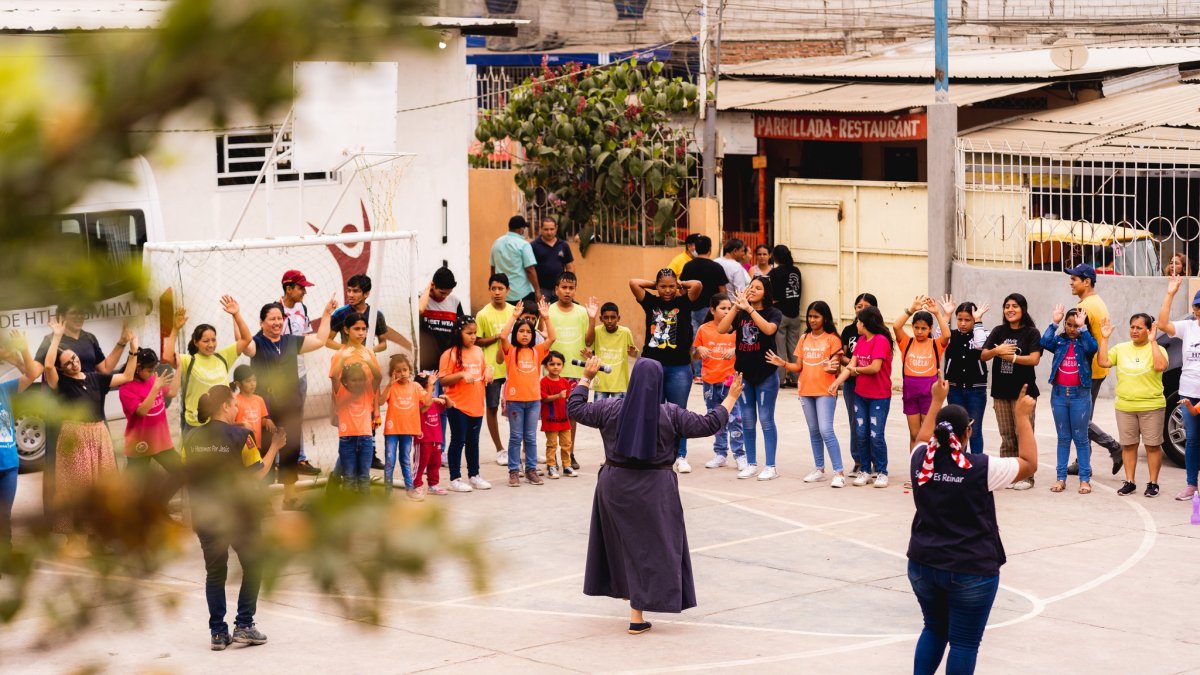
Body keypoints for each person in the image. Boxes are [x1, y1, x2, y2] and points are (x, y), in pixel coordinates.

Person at [568, 357, 743, 634]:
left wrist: (586, 378)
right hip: (655, 489)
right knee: (655, 549)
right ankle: (637, 610)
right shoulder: (671, 413)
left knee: (622, 545)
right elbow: (709, 424)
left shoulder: (610, 408)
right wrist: (731, 397)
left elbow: (575, 408)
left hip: (615, 487)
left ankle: (634, 606)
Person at [906, 379, 1037, 675]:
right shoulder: (981, 467)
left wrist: (936, 400)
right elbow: (1029, 463)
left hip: (923, 564)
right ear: (969, 431)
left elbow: (920, 439)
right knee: (964, 643)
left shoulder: (919, 461)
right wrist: (1022, 417)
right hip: (970, 569)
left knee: (934, 628)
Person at [184, 385, 284, 651]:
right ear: (226, 406)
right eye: (234, 403)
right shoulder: (243, 436)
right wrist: (275, 446)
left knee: (215, 573)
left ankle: (218, 633)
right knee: (254, 564)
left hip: (206, 515)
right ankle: (244, 624)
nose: (237, 406)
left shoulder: (192, 438)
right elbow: (257, 473)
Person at [43, 317, 138, 537]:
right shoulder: (62, 383)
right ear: (62, 369)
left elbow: (127, 376)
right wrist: (57, 336)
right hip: (75, 436)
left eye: (74, 358)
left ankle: (98, 532)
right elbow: (48, 365)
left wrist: (133, 350)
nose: (73, 363)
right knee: (78, 487)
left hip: (99, 434)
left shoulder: (96, 378)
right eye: (67, 363)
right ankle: (76, 536)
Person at [245, 297, 334, 510]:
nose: (276, 322)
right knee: (265, 450)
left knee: (291, 450)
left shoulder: (291, 341)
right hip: (265, 410)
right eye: (271, 319)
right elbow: (245, 347)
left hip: (290, 407)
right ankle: (263, 501)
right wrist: (236, 315)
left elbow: (320, 340)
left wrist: (327, 313)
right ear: (261, 322)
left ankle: (289, 498)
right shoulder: (257, 343)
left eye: (279, 318)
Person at [629, 269, 703, 471]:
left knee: (679, 412)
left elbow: (697, 285)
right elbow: (634, 282)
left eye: (671, 286)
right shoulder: (651, 302)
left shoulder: (683, 303)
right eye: (663, 286)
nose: (668, 290)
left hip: (679, 367)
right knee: (652, 411)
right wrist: (653, 285)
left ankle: (680, 455)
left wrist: (680, 283)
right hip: (652, 367)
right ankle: (654, 453)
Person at [767, 300, 843, 487]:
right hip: (806, 391)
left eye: (816, 316)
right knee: (814, 431)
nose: (812, 320)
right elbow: (798, 366)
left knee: (826, 430)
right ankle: (819, 468)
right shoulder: (804, 338)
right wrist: (782, 363)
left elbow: (836, 368)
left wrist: (830, 367)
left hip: (826, 391)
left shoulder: (833, 339)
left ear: (825, 318)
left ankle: (839, 472)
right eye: (810, 316)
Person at [716, 278, 783, 480]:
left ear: (766, 292)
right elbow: (721, 329)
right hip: (744, 374)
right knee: (747, 420)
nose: (753, 290)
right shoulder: (741, 311)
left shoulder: (773, 312)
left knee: (766, 420)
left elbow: (769, 329)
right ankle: (752, 463)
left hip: (766, 373)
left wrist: (750, 310)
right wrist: (737, 307)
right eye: (751, 286)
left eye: (758, 288)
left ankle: (770, 466)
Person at [1097, 314, 1169, 497]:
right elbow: (1103, 362)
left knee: (1152, 446)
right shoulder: (1120, 349)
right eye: (1132, 327)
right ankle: (1130, 481)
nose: (1135, 331)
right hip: (1125, 407)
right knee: (1128, 445)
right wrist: (1104, 339)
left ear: (1148, 329)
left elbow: (1161, 366)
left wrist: (1153, 342)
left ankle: (1153, 483)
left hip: (1152, 406)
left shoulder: (1159, 348)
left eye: (1139, 327)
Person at [1065, 264, 1124, 476]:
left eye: (1074, 279)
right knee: (1082, 417)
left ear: (1087, 281)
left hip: (1085, 372)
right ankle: (1082, 463)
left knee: (1077, 418)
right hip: (1095, 370)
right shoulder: (1095, 302)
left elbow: (1083, 343)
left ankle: (1114, 447)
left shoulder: (1086, 308)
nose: (1071, 282)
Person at [164, 296, 253, 435]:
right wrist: (175, 329)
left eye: (213, 340)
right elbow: (167, 356)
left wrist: (236, 314)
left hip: (222, 424)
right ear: (196, 342)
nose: (211, 344)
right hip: (196, 427)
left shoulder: (223, 357)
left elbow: (247, 339)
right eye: (206, 341)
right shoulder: (189, 360)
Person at [981, 293, 1043, 491]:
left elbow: (1034, 359)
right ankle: (1007, 476)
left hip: (1024, 393)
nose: (1010, 309)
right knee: (1007, 436)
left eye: (1014, 306)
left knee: (1023, 435)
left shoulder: (1032, 333)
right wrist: (997, 352)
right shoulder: (999, 331)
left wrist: (1012, 358)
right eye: (1006, 306)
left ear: (1023, 309)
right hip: (1000, 392)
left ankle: (1027, 477)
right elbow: (983, 355)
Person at [830, 305, 894, 488]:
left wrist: (856, 370)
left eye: (858, 320)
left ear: (866, 323)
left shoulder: (881, 340)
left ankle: (881, 472)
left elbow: (874, 367)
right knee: (861, 434)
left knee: (876, 435)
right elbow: (851, 366)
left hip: (879, 396)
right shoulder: (861, 342)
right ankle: (865, 470)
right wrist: (836, 382)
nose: (856, 324)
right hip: (861, 395)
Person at [1040, 306, 1099, 494]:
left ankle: (1084, 479)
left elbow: (1093, 348)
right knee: (1063, 438)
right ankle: (1060, 478)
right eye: (1069, 324)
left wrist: (1084, 329)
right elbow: (1044, 341)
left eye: (1076, 325)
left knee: (1081, 438)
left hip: (1080, 396)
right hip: (1058, 395)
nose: (1072, 329)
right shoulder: (1059, 341)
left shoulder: (1085, 342)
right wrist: (1054, 322)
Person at [119, 347, 184, 513]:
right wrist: (155, 388)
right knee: (132, 487)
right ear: (138, 367)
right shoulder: (126, 388)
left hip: (161, 441)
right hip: (139, 444)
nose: (153, 372)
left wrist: (180, 369)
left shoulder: (153, 378)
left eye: (154, 369)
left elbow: (173, 392)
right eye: (150, 369)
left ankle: (158, 505)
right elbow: (142, 411)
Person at [498, 299, 555, 485]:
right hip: (515, 401)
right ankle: (514, 471)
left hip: (533, 401)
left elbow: (552, 338)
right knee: (516, 437)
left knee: (530, 437)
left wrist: (546, 317)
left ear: (533, 335)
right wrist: (514, 317)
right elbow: (502, 336)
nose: (525, 334)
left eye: (528, 332)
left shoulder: (538, 351)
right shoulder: (511, 351)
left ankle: (531, 470)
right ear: (516, 333)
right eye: (521, 331)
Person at [326, 311, 383, 491]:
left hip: (365, 411)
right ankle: (336, 483)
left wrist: (375, 411)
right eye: (356, 329)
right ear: (346, 330)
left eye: (364, 329)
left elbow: (375, 384)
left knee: (357, 450)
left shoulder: (368, 353)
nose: (361, 333)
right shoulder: (340, 354)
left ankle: (336, 484)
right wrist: (335, 411)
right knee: (348, 449)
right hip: (346, 411)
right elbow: (335, 383)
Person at [0, 330, 43, 564]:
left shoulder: (4, 390)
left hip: (8, 464)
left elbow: (34, 372)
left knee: (4, 516)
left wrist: (22, 351)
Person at [1157, 275, 1200, 500]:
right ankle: (1191, 485)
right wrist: (1170, 294)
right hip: (1188, 392)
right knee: (1192, 439)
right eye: (1198, 306)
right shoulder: (1189, 327)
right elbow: (1163, 324)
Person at [440, 316, 493, 493]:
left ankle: (474, 475)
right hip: (458, 405)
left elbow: (484, 368)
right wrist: (462, 375)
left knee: (473, 442)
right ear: (458, 333)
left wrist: (489, 370)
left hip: (477, 404)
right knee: (458, 440)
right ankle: (455, 478)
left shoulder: (478, 350)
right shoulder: (450, 354)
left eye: (475, 333)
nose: (473, 336)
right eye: (468, 333)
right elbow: (443, 379)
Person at [278, 270, 323, 477]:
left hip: (300, 373)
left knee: (298, 416)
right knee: (280, 417)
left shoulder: (302, 307)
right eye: (301, 287)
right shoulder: (275, 311)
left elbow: (306, 338)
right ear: (289, 289)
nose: (304, 291)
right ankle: (279, 460)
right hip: (281, 375)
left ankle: (300, 458)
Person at [694, 294, 745, 471]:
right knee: (716, 418)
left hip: (729, 382)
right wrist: (698, 349)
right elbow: (694, 355)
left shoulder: (736, 329)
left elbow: (746, 350)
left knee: (735, 418)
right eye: (723, 308)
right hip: (710, 381)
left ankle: (740, 454)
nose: (726, 311)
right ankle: (720, 454)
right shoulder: (703, 329)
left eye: (729, 308)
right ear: (712, 310)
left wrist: (735, 349)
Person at [894, 296, 950, 450]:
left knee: (928, 435)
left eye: (924, 328)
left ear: (930, 329)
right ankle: (915, 467)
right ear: (912, 327)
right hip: (910, 394)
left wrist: (937, 313)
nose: (919, 331)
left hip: (929, 394)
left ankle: (927, 467)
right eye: (916, 327)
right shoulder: (907, 342)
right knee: (914, 434)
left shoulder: (935, 345)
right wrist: (911, 310)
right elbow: (896, 327)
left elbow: (946, 335)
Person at [939, 296, 990, 455]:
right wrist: (946, 316)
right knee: (957, 429)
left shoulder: (982, 334)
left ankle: (977, 464)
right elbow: (939, 338)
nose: (962, 323)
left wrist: (978, 321)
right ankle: (958, 463)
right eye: (959, 319)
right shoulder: (951, 335)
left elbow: (981, 345)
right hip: (955, 390)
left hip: (976, 391)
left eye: (967, 320)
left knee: (974, 429)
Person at [476, 273, 515, 466]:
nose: (497, 292)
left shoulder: (514, 311)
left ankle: (522, 448)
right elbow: (476, 340)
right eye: (494, 288)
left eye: (501, 288)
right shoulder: (483, 314)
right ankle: (500, 449)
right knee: (492, 408)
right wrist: (498, 336)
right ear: (489, 290)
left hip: (513, 370)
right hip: (492, 369)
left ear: (508, 290)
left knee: (517, 409)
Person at [839, 293, 878, 477]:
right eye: (858, 306)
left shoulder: (879, 334)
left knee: (873, 425)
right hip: (852, 383)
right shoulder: (849, 330)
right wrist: (853, 365)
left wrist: (860, 366)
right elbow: (842, 355)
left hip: (872, 384)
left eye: (865, 306)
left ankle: (877, 462)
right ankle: (859, 460)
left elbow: (878, 362)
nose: (860, 310)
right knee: (856, 424)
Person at [680, 235, 728, 379]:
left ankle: (696, 371)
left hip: (690, 307)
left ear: (695, 248)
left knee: (693, 338)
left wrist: (686, 299)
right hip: (709, 309)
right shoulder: (716, 267)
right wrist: (724, 307)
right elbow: (722, 290)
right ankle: (704, 371)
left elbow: (682, 287)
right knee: (707, 338)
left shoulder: (688, 265)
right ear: (710, 249)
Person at [328, 273, 413, 354]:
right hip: (346, 363)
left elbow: (383, 344)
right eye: (349, 290)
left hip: (369, 363)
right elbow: (327, 341)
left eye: (355, 291)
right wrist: (348, 350)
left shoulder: (376, 315)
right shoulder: (340, 313)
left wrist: (367, 351)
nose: (350, 294)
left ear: (366, 294)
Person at [331, 361, 377, 494]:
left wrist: (368, 361)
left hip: (366, 440)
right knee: (349, 477)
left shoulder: (368, 393)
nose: (358, 383)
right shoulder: (341, 394)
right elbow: (334, 377)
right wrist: (343, 359)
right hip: (347, 441)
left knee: (364, 477)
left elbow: (377, 377)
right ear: (345, 381)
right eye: (354, 380)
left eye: (361, 380)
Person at [383, 354, 425, 498]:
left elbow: (427, 401)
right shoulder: (392, 387)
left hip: (407, 430)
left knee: (406, 459)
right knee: (389, 460)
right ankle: (387, 491)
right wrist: (389, 384)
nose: (402, 374)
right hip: (392, 429)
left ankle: (409, 488)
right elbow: (381, 401)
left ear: (410, 370)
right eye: (398, 371)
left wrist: (431, 385)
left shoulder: (415, 386)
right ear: (393, 373)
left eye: (405, 370)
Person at [418, 267, 467, 374]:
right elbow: (420, 309)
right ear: (433, 285)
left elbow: (461, 330)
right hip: (427, 364)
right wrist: (427, 289)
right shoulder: (421, 298)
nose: (444, 296)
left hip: (448, 363)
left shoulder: (455, 302)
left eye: (448, 293)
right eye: (441, 292)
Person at [585, 301, 637, 400]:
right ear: (601, 318)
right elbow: (588, 343)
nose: (609, 321)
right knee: (599, 413)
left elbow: (634, 354)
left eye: (613, 317)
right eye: (606, 317)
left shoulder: (625, 332)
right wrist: (591, 318)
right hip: (600, 383)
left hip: (620, 384)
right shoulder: (596, 331)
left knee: (619, 414)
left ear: (618, 318)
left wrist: (632, 352)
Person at [767, 246, 802, 388]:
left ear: (775, 257)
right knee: (794, 348)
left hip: (780, 314)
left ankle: (780, 379)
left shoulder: (774, 273)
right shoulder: (796, 271)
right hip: (795, 313)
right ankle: (796, 378)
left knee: (779, 348)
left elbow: (771, 294)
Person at [542, 351, 577, 479]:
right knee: (552, 444)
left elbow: (567, 400)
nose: (555, 367)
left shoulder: (565, 382)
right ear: (546, 366)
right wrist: (558, 396)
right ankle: (551, 465)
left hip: (564, 419)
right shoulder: (544, 382)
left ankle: (567, 465)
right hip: (551, 419)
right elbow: (544, 399)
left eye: (558, 364)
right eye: (552, 364)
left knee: (567, 443)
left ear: (563, 366)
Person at [490, 215, 540, 303]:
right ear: (521, 229)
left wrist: (493, 288)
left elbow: (493, 267)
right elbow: (530, 269)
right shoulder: (523, 244)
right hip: (522, 293)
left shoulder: (496, 243)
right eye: (524, 228)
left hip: (503, 293)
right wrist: (537, 291)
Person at [412, 372, 447, 498]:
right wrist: (432, 397)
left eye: (432, 386)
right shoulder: (418, 403)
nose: (431, 388)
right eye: (429, 386)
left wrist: (445, 397)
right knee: (420, 463)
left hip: (435, 438)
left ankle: (433, 484)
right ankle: (416, 484)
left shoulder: (435, 402)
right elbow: (425, 405)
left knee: (435, 463)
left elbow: (447, 406)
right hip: (423, 439)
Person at [531, 216, 576, 303]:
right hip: (542, 290)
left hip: (560, 290)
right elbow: (530, 269)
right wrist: (537, 290)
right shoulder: (534, 246)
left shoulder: (563, 245)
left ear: (556, 228)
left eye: (552, 229)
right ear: (541, 229)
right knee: (543, 314)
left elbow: (569, 266)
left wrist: (569, 285)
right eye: (546, 229)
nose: (549, 232)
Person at [231, 365, 272, 448]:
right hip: (241, 446)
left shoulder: (259, 400)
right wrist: (241, 424)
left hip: (256, 445)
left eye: (254, 380)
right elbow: (229, 424)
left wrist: (267, 421)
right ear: (238, 384)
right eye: (248, 381)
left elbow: (260, 420)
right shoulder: (234, 401)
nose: (253, 384)